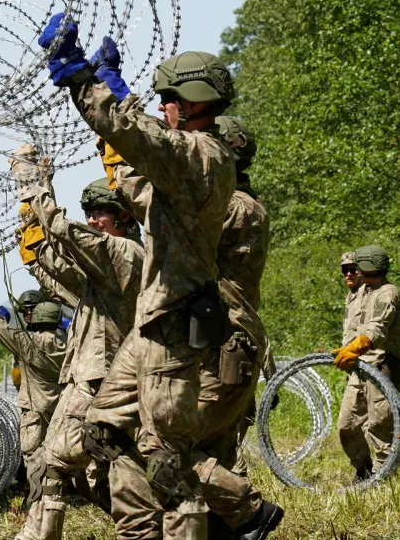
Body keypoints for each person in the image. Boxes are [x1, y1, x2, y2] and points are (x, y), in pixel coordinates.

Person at [40, 14, 236, 539]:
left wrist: (84, 81)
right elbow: (133, 174)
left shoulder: (200, 154)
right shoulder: (189, 161)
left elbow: (132, 132)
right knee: (104, 429)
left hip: (174, 324)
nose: (162, 105)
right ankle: (139, 529)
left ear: (193, 102)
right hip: (153, 322)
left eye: (168, 97)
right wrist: (107, 88)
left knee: (166, 455)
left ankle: (228, 518)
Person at [9, 150, 143, 540]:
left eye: (100, 213)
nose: (92, 220)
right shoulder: (105, 266)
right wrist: (32, 234)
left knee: (56, 459)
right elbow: (61, 270)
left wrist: (34, 184)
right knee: (99, 472)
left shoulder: (124, 253)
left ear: (125, 217)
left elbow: (65, 231)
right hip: (94, 377)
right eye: (90, 212)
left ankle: (39, 535)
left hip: (102, 380)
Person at [186, 116, 282, 539]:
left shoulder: (234, 206)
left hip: (222, 342)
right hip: (224, 339)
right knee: (215, 453)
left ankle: (251, 512)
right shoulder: (238, 201)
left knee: (169, 445)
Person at [0, 300, 67, 537]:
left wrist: (0, 314)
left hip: (34, 414)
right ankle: (50, 525)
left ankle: (36, 525)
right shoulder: (70, 342)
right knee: (56, 469)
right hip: (61, 413)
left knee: (35, 468)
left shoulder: (29, 341)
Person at [334, 245, 400, 480]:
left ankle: (385, 478)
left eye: (357, 267)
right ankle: (363, 470)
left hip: (381, 368)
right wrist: (345, 350)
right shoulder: (362, 292)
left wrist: (356, 346)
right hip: (358, 369)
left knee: (380, 427)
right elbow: (355, 326)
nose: (353, 272)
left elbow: (377, 328)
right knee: (347, 425)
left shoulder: (388, 292)